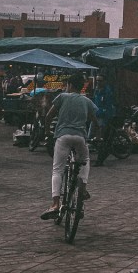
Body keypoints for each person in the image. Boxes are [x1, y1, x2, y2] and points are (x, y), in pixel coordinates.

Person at [40, 73, 100, 220]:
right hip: (80, 137)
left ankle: (55, 204)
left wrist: (47, 132)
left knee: (57, 169)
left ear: (70, 85)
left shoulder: (62, 97)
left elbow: (48, 116)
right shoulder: (87, 101)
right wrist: (97, 137)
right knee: (85, 160)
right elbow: (95, 122)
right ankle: (83, 189)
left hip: (63, 136)